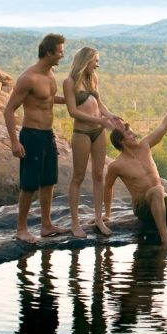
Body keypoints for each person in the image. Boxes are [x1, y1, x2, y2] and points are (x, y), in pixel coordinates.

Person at [104, 87, 167, 246]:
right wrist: (106, 214)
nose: (135, 135)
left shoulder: (145, 145)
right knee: (156, 190)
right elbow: (107, 187)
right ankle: (165, 239)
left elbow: (164, 125)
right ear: (121, 141)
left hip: (163, 199)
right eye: (130, 134)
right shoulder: (116, 165)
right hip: (143, 207)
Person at [4, 33, 68, 243]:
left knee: (49, 181)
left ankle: (46, 225)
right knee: (30, 184)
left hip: (48, 135)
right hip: (31, 135)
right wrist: (15, 141)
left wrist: (73, 100)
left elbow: (48, 99)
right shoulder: (28, 78)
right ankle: (21, 229)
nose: (62, 55)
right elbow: (9, 110)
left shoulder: (50, 74)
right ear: (49, 52)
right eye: (59, 51)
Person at [63, 47, 125, 239]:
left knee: (99, 174)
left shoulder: (93, 79)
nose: (97, 65)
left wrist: (110, 115)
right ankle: (75, 223)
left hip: (98, 132)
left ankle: (99, 219)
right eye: (95, 61)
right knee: (79, 176)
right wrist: (99, 121)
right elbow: (72, 111)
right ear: (86, 60)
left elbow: (99, 104)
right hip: (82, 132)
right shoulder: (69, 82)